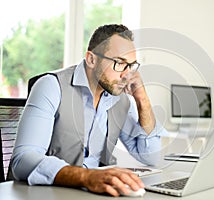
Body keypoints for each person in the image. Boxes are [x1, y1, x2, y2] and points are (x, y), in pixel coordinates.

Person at [11, 24, 167, 197]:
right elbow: (22, 160)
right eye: (119, 63)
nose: (127, 74)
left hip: (95, 193)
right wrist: (87, 176)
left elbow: (150, 157)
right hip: (48, 193)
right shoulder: (51, 86)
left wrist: (142, 100)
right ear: (91, 59)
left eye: (131, 65)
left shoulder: (120, 99)